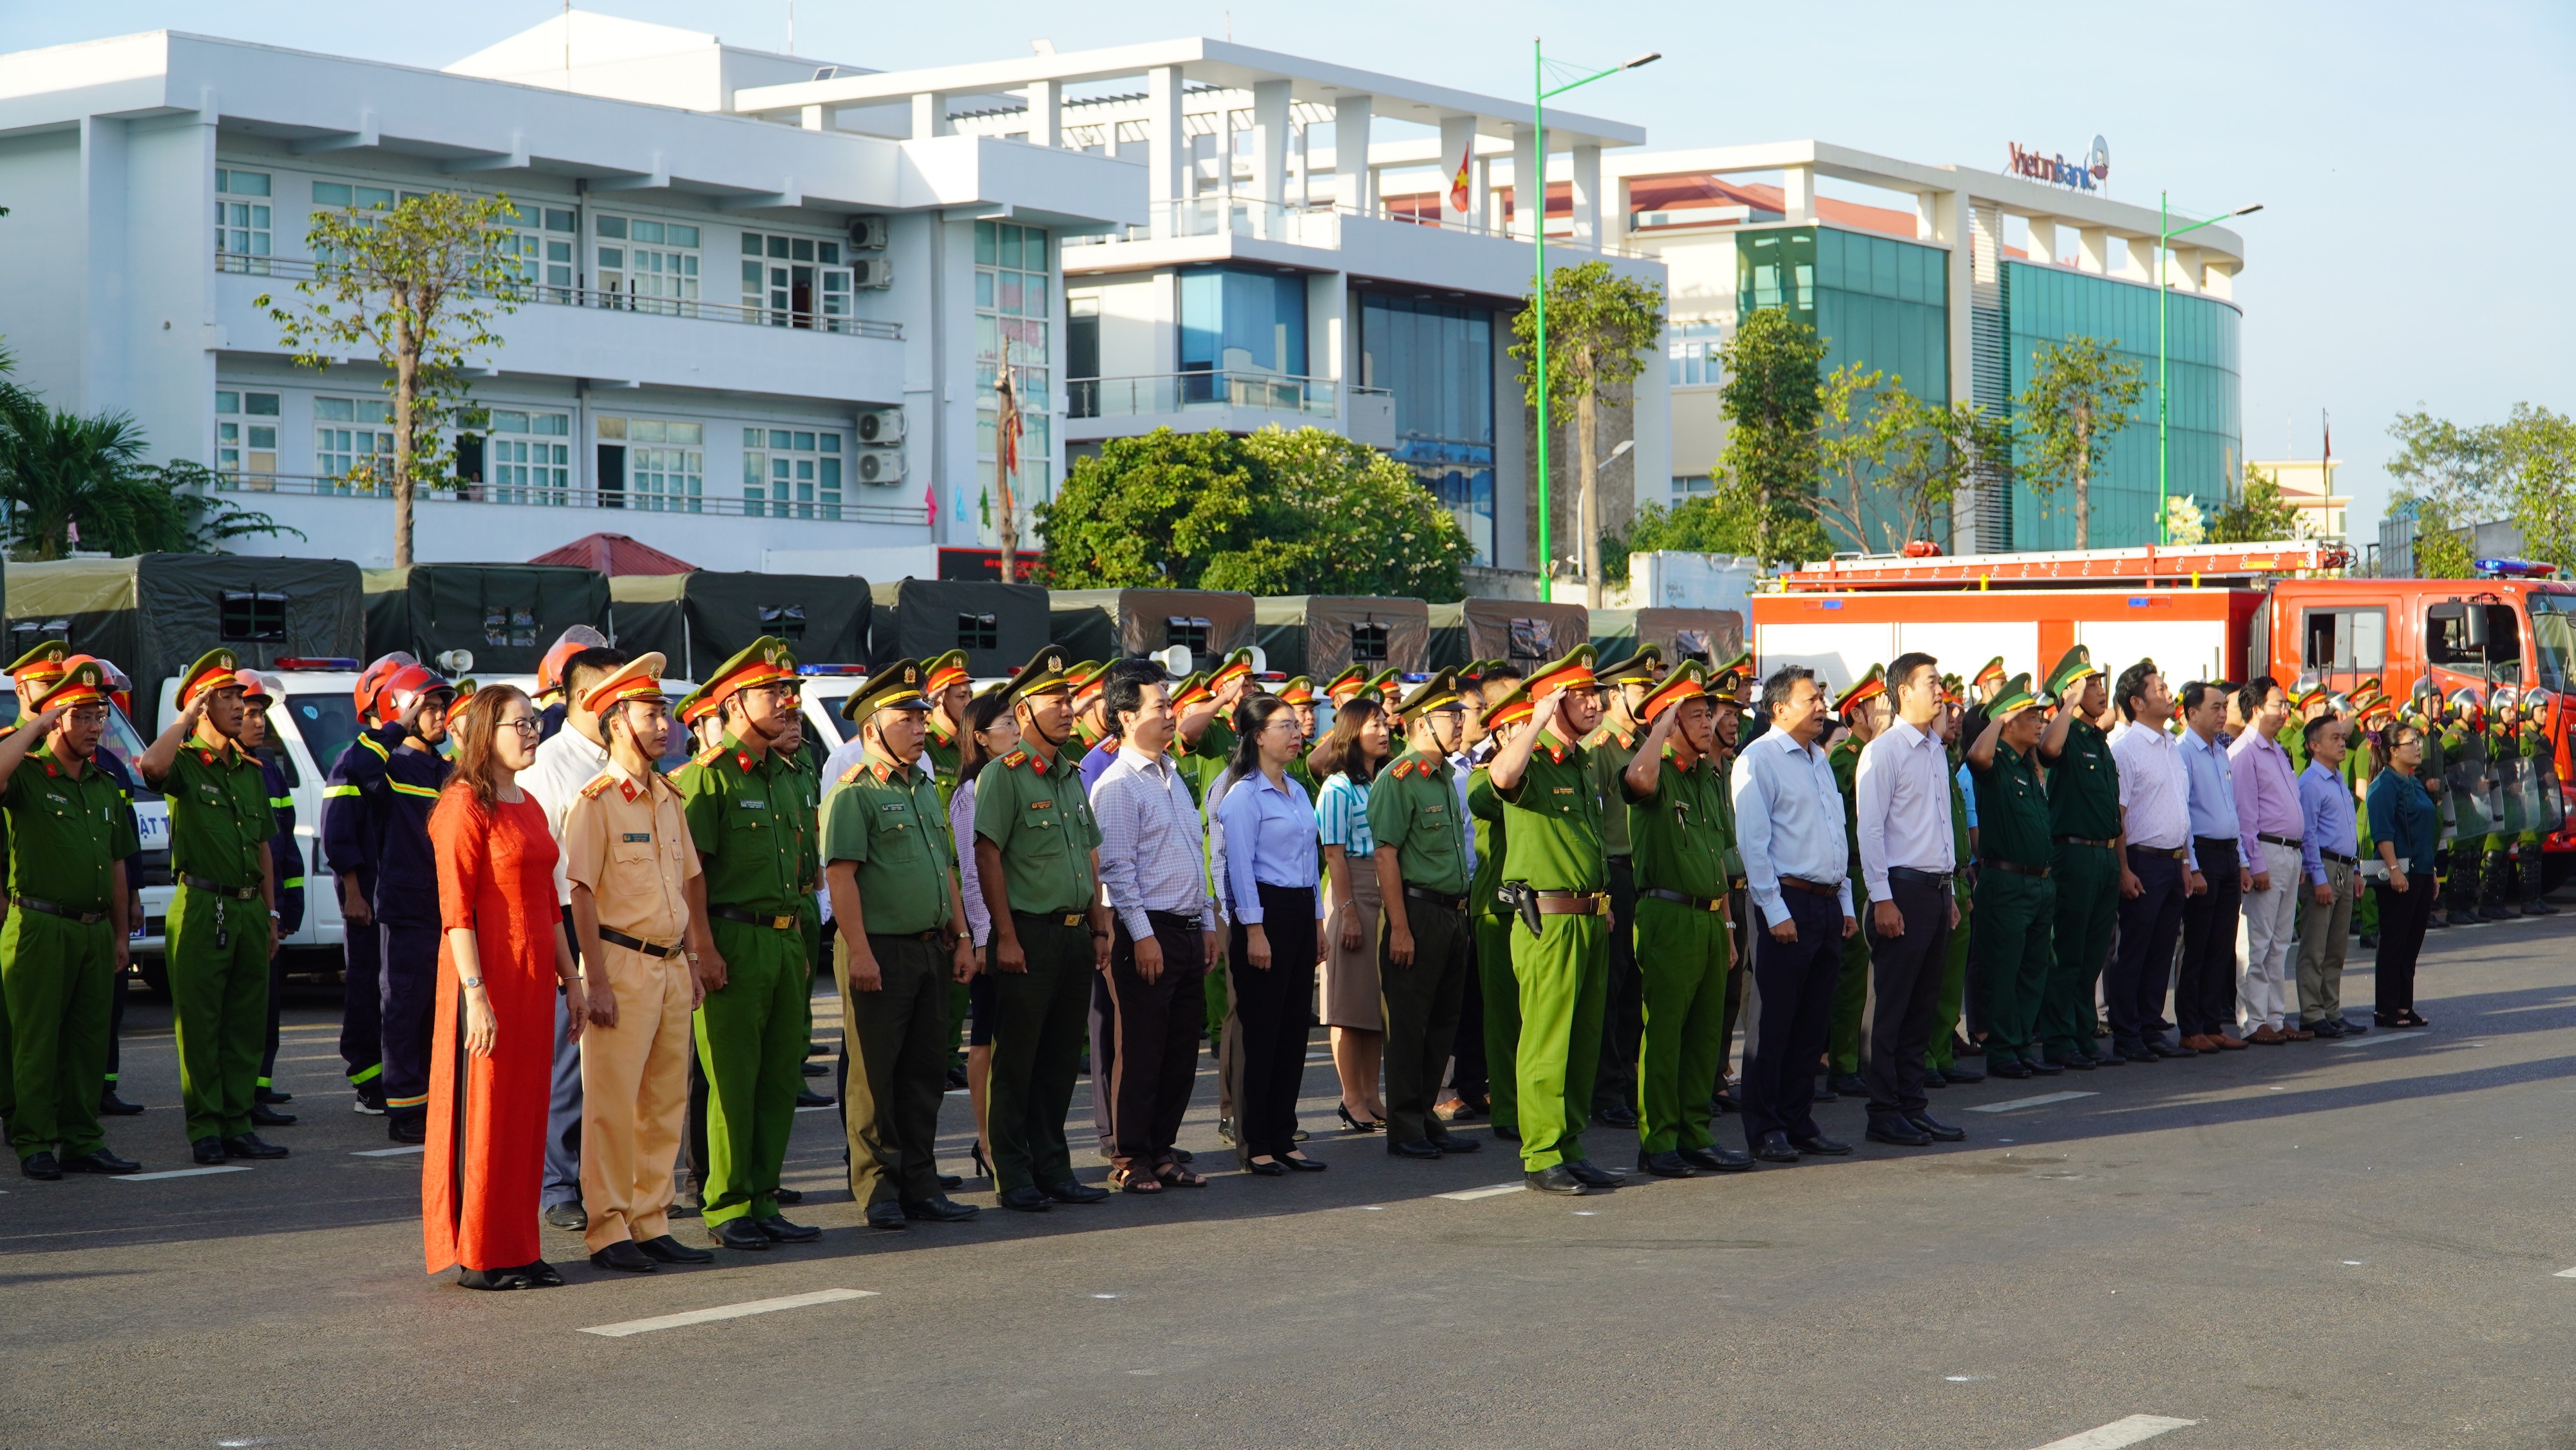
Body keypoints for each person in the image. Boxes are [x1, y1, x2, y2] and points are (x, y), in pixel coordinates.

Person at [561, 654, 719, 1272]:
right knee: (611, 1102)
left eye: (664, 713)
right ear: (618, 720)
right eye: (652, 714)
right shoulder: (595, 802)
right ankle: (607, 1228)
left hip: (672, 965)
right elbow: (580, 892)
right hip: (620, 966)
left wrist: (696, 960)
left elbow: (688, 882)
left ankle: (651, 1219)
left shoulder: (668, 796)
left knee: (662, 1102)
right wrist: (593, 980)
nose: (666, 725)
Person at [422, 683, 582, 1290]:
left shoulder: (530, 805)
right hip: (486, 976)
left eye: (535, 721)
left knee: (526, 1111)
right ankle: (480, 1252)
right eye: (520, 723)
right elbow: (456, 910)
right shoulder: (464, 804)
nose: (532, 732)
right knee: (485, 1110)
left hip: (536, 978)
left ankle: (520, 1244)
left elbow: (549, 904)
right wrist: (475, 994)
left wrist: (574, 983)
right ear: (486, 731)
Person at [671, 637, 824, 1249]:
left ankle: (764, 1196)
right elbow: (692, 875)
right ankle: (727, 1202)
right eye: (772, 692)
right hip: (733, 938)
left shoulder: (787, 775)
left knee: (779, 1075)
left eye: (789, 691)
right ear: (732, 703)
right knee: (732, 1078)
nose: (788, 702)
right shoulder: (708, 780)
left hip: (786, 941)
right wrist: (702, 949)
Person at [820, 660, 983, 1228]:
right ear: (872, 729)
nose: (921, 725)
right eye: (907, 717)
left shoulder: (921, 784)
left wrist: (961, 936)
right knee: (873, 1076)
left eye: (921, 715)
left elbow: (946, 869)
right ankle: (876, 1186)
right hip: (879, 949)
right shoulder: (854, 793)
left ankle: (920, 1181)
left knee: (922, 1074)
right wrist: (859, 950)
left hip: (928, 947)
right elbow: (841, 878)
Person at [972, 648, 1115, 1212]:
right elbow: (987, 858)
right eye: (1057, 701)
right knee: (1017, 1060)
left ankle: (1054, 1166)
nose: (1069, 709)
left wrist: (1101, 923)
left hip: (1075, 933)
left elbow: (1089, 853)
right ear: (1025, 709)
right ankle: (1013, 1172)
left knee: (1059, 1059)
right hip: (1027, 933)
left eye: (1070, 700)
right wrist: (1004, 936)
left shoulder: (1070, 775)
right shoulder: (1002, 775)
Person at [138, 649, 285, 1165]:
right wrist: (185, 716)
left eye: (239, 697)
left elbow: (264, 844)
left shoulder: (249, 769)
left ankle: (238, 1122)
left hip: (247, 908)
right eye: (226, 697)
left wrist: (270, 914)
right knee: (200, 1024)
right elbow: (150, 766)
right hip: (202, 904)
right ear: (201, 705)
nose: (240, 706)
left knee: (245, 1022)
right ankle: (204, 1127)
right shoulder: (182, 763)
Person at [1486, 646, 1622, 1194]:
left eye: (1595, 694)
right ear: (1555, 703)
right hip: (1548, 918)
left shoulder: (1582, 760)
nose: (1595, 704)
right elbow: (1499, 775)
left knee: (1583, 1039)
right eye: (1581, 696)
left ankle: (1570, 1143)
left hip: (1589, 913)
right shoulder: (1532, 755)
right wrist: (1537, 717)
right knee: (1547, 1038)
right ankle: (1541, 1151)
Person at [1, 660, 140, 1178]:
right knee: (37, 1039)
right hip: (40, 925)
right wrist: (35, 724)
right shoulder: (30, 775)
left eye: (99, 713)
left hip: (95, 929)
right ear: (58, 719)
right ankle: (35, 1139)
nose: (95, 726)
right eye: (81, 714)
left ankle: (83, 1138)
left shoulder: (105, 784)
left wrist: (122, 934)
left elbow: (119, 865)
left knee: (88, 1041)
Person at [1618, 662, 1754, 1175]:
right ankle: (1659, 1140)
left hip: (1707, 918)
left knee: (1703, 1035)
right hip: (1667, 913)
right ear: (1669, 721)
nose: (1707, 721)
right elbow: (1638, 778)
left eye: (1708, 712)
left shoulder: (1705, 775)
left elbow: (1719, 853)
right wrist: (1658, 726)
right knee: (1667, 1033)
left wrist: (1726, 924)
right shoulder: (1653, 769)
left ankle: (1696, 1132)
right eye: (1694, 714)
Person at [1089, 667, 1219, 1194]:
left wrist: (1207, 922)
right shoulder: (1117, 784)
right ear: (1126, 717)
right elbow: (1117, 869)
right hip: (1147, 930)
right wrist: (1142, 935)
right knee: (1141, 1049)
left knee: (1181, 1049)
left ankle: (1162, 1148)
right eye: (1159, 707)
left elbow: (1196, 855)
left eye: (1170, 706)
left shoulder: (1172, 775)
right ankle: (1130, 1155)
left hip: (1187, 927)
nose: (1171, 715)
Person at [1730, 665, 1860, 1164]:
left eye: (1821, 697)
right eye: (1812, 698)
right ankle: (1765, 1127)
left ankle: (1798, 1119)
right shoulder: (1758, 759)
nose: (1821, 705)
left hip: (1826, 902)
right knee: (1774, 1023)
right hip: (1786, 901)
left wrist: (1846, 903)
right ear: (1780, 708)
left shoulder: (1818, 759)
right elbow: (1753, 843)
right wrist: (1774, 908)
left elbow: (1835, 834)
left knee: (1812, 1022)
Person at [1367, 671, 1483, 1162]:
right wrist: (1400, 927)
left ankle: (1427, 1115)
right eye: (1448, 716)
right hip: (1415, 909)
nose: (1459, 723)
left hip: (1453, 913)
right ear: (1419, 723)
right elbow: (1386, 856)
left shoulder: (1444, 777)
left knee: (1443, 1023)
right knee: (1409, 1026)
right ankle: (1405, 1125)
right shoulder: (1399, 778)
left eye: (1460, 714)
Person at [1851, 652, 1964, 1149]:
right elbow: (1870, 830)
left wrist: (1952, 891)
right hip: (1900, 890)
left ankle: (1913, 1106)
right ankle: (1884, 1111)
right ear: (1904, 692)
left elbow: (1941, 826)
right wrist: (1882, 898)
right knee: (1891, 1008)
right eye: (1932, 683)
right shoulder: (1885, 751)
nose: (1940, 692)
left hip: (1936, 891)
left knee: (1923, 1006)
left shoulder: (1936, 749)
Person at [343, 663, 457, 1148]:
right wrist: (397, 726)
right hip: (408, 910)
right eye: (428, 706)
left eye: (441, 706)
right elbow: (355, 766)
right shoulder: (388, 765)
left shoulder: (447, 769)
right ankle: (406, 1108)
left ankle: (438, 1101)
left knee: (442, 1012)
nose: (439, 715)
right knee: (405, 1010)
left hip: (450, 909)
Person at [1213, 693, 1325, 1177]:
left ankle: (1283, 1132)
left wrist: (1318, 922)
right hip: (1263, 912)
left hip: (1300, 911)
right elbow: (1239, 868)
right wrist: (1254, 930)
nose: (1298, 731)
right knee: (1259, 1031)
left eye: (1297, 725)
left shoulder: (1297, 791)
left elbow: (1309, 861)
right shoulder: (1243, 796)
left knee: (1292, 1030)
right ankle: (1254, 1139)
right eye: (1285, 725)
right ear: (1258, 736)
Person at [325, 653, 415, 1115]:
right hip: (368, 895)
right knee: (367, 985)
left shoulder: (404, 760)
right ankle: (367, 1079)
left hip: (396, 893)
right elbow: (339, 832)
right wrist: (354, 892)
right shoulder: (354, 761)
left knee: (396, 990)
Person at [1965, 674, 2060, 1082]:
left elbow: (2053, 743)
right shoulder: (1997, 763)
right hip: (2005, 883)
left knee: (2032, 968)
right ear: (2009, 722)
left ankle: (2021, 1043)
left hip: (2039, 882)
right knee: (2003, 970)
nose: (2040, 722)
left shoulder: (2028, 765)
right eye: (2032, 715)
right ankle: (2002, 1049)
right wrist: (1998, 716)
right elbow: (1975, 757)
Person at [2036, 645, 2122, 1071]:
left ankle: (2084, 1034)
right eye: (2090, 684)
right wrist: (2067, 702)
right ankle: (2059, 1038)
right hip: (2072, 854)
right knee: (2067, 953)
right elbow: (2048, 751)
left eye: (2100, 682)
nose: (2100, 690)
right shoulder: (2064, 732)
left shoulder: (2096, 740)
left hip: (2103, 858)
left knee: (2092, 956)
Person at [1584, 648, 1659, 1130]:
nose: (1649, 698)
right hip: (1613, 871)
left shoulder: (1644, 742)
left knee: (1636, 984)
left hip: (1644, 871)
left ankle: (1629, 1082)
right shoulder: (1598, 746)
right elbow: (1589, 820)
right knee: (1609, 988)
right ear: (1616, 695)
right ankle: (1605, 1089)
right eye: (1641, 690)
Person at [2106, 660, 2193, 1062]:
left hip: (2172, 862)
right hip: (2141, 860)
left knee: (2162, 948)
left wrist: (2187, 863)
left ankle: (2150, 1023)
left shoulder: (2171, 745)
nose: (2167, 692)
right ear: (2137, 702)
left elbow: (2180, 810)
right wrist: (2124, 869)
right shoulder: (2125, 750)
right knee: (2136, 948)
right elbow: (2118, 817)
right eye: (2159, 688)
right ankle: (2127, 1032)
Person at [1313, 692, 1392, 1132]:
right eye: (1373, 724)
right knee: (1348, 1003)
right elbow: (1334, 854)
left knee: (1373, 1003)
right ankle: (1351, 1097)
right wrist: (1346, 911)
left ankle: (1371, 1094)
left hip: (1383, 888)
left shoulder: (1382, 780)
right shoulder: (1337, 786)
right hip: (1353, 888)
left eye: (1384, 722)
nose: (1383, 731)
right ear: (1351, 732)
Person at [949, 685, 1015, 1181]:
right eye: (1007, 725)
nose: (1016, 730)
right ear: (981, 738)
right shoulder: (972, 792)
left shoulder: (1017, 781)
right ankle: (987, 1140)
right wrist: (985, 936)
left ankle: (1015, 1136)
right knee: (988, 1035)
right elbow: (972, 871)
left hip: (1025, 925)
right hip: (994, 931)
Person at [238, 671, 305, 1128]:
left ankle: (260, 1085)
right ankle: (244, 1094)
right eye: (248, 713)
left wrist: (290, 901)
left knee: (269, 1006)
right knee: (248, 1007)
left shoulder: (271, 769)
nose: (258, 722)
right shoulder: (225, 768)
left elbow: (286, 845)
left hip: (271, 907)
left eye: (261, 713)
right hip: (244, 906)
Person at [1465, 680, 1530, 1142]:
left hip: (1541, 906)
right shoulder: (1482, 775)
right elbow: (1492, 794)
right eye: (1521, 726)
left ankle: (1537, 1101)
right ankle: (1507, 1107)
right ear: (1501, 734)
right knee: (1505, 1015)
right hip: (1499, 909)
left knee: (1538, 1015)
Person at [2230, 676, 2306, 1044]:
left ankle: (2275, 1017)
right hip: (2266, 851)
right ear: (2257, 708)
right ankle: (2253, 1020)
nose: (2285, 711)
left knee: (2280, 943)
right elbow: (2245, 816)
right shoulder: (2244, 752)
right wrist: (2254, 863)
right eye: (2279, 704)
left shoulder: (2276, 750)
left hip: (2289, 852)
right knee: (2256, 943)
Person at [2174, 681, 2248, 1053]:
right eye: (2216, 708)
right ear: (2192, 713)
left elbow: (2230, 810)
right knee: (2197, 945)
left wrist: (2244, 861)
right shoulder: (2183, 752)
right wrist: (2194, 865)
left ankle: (2210, 1023)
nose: (2223, 714)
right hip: (2201, 852)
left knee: (2222, 944)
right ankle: (2190, 1027)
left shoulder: (2220, 751)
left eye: (2224, 707)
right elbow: (2184, 813)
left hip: (2227, 854)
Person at [1823, 665, 1886, 1100]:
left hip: (1877, 868)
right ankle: (1843, 1062)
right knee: (1852, 976)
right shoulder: (1847, 758)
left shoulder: (1879, 752)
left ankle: (1867, 1058)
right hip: (1854, 869)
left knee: (1876, 975)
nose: (1887, 711)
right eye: (1878, 704)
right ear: (1858, 713)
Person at [2296, 714, 2365, 1038]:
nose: (2342, 743)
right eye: (2334, 738)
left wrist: (2356, 870)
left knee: (2337, 945)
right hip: (2323, 866)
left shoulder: (2338, 779)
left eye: (2342, 737)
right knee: (2315, 945)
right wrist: (2317, 877)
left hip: (2345, 866)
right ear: (2314, 746)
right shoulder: (2310, 783)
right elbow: (2307, 834)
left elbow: (2349, 830)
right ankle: (2311, 1012)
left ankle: (2331, 1009)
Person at [2368, 721, 2439, 1028]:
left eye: (2418, 741)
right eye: (2412, 742)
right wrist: (2394, 869)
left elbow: (2425, 831)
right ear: (2393, 751)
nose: (2418, 747)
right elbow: (2383, 834)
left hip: (2421, 870)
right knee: (2394, 941)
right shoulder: (2384, 785)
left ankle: (2403, 1006)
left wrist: (2433, 871)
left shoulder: (2413, 782)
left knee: (2412, 942)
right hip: (2398, 871)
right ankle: (2386, 1008)